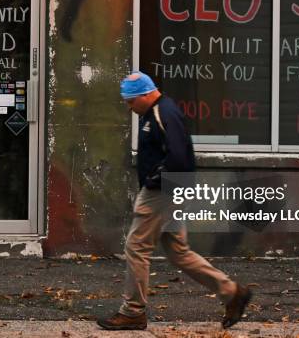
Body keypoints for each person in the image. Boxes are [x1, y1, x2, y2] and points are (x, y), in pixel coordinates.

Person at [97, 72, 252, 331]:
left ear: (146, 94)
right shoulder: (156, 112)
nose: (129, 106)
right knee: (179, 252)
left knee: (136, 248)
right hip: (170, 190)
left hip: (162, 193)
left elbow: (178, 159)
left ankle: (133, 311)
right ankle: (232, 291)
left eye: (131, 101)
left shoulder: (163, 112)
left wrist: (152, 181)